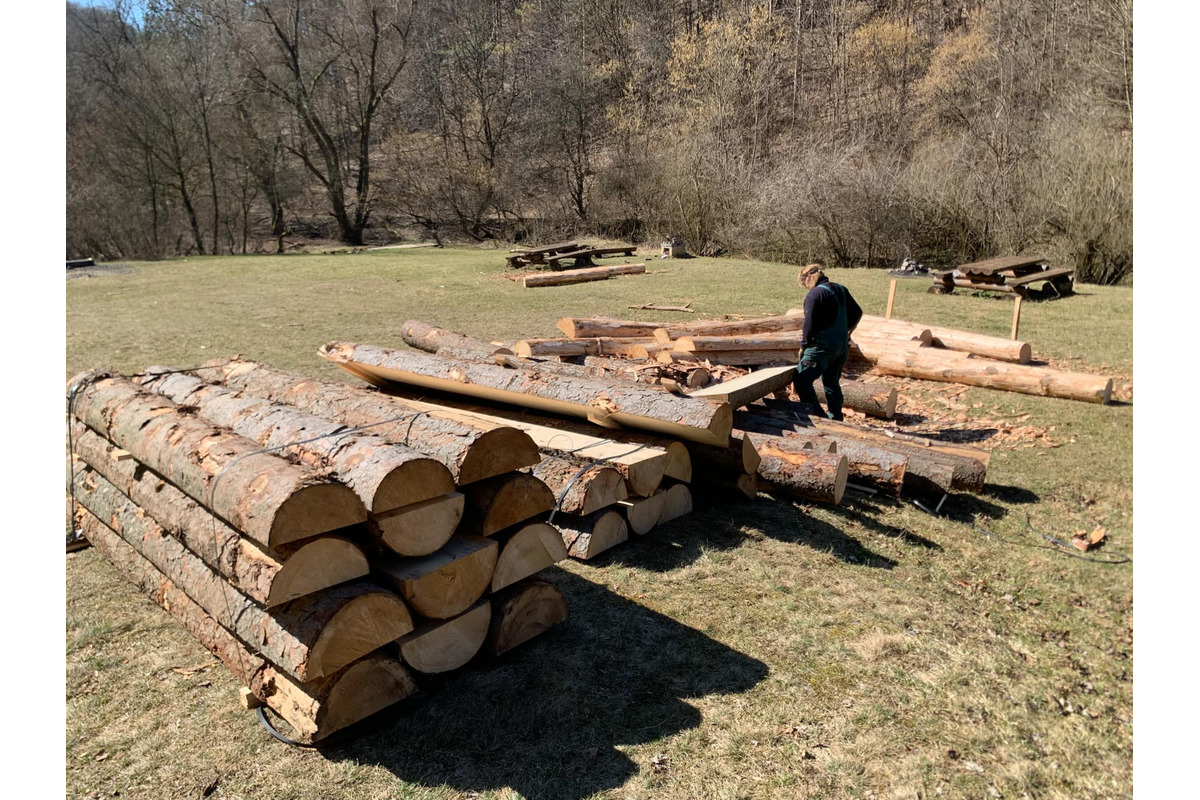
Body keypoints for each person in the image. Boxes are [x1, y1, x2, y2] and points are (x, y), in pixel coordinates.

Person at [793, 263, 863, 421]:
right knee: (831, 382)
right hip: (841, 347)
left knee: (801, 380)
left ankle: (818, 417)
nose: (804, 286)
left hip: (822, 348)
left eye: (803, 282)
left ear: (809, 278)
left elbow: (808, 325)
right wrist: (847, 331)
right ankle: (836, 417)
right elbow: (857, 312)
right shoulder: (840, 289)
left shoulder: (814, 295)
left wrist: (804, 347)